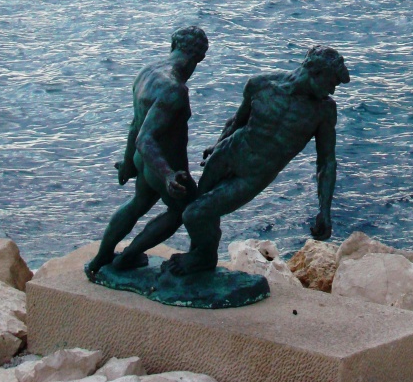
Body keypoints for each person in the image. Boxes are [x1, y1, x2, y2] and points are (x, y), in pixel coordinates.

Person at [163, 46, 349, 277]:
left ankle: (203, 257)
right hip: (228, 153)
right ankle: (201, 257)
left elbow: (326, 162)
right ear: (317, 72)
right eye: (332, 83)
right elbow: (237, 121)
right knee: (200, 209)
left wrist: (324, 210)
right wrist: (218, 144)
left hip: (254, 175)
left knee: (195, 214)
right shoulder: (261, 84)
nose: (333, 90)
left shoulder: (324, 110)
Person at [85, 26, 209, 278]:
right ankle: (127, 258)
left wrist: (128, 162)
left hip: (143, 160)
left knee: (138, 203)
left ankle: (101, 258)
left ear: (173, 45)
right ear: (199, 58)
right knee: (185, 212)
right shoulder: (175, 89)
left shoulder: (147, 73)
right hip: (164, 165)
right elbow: (146, 137)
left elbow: (136, 124)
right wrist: (168, 175)